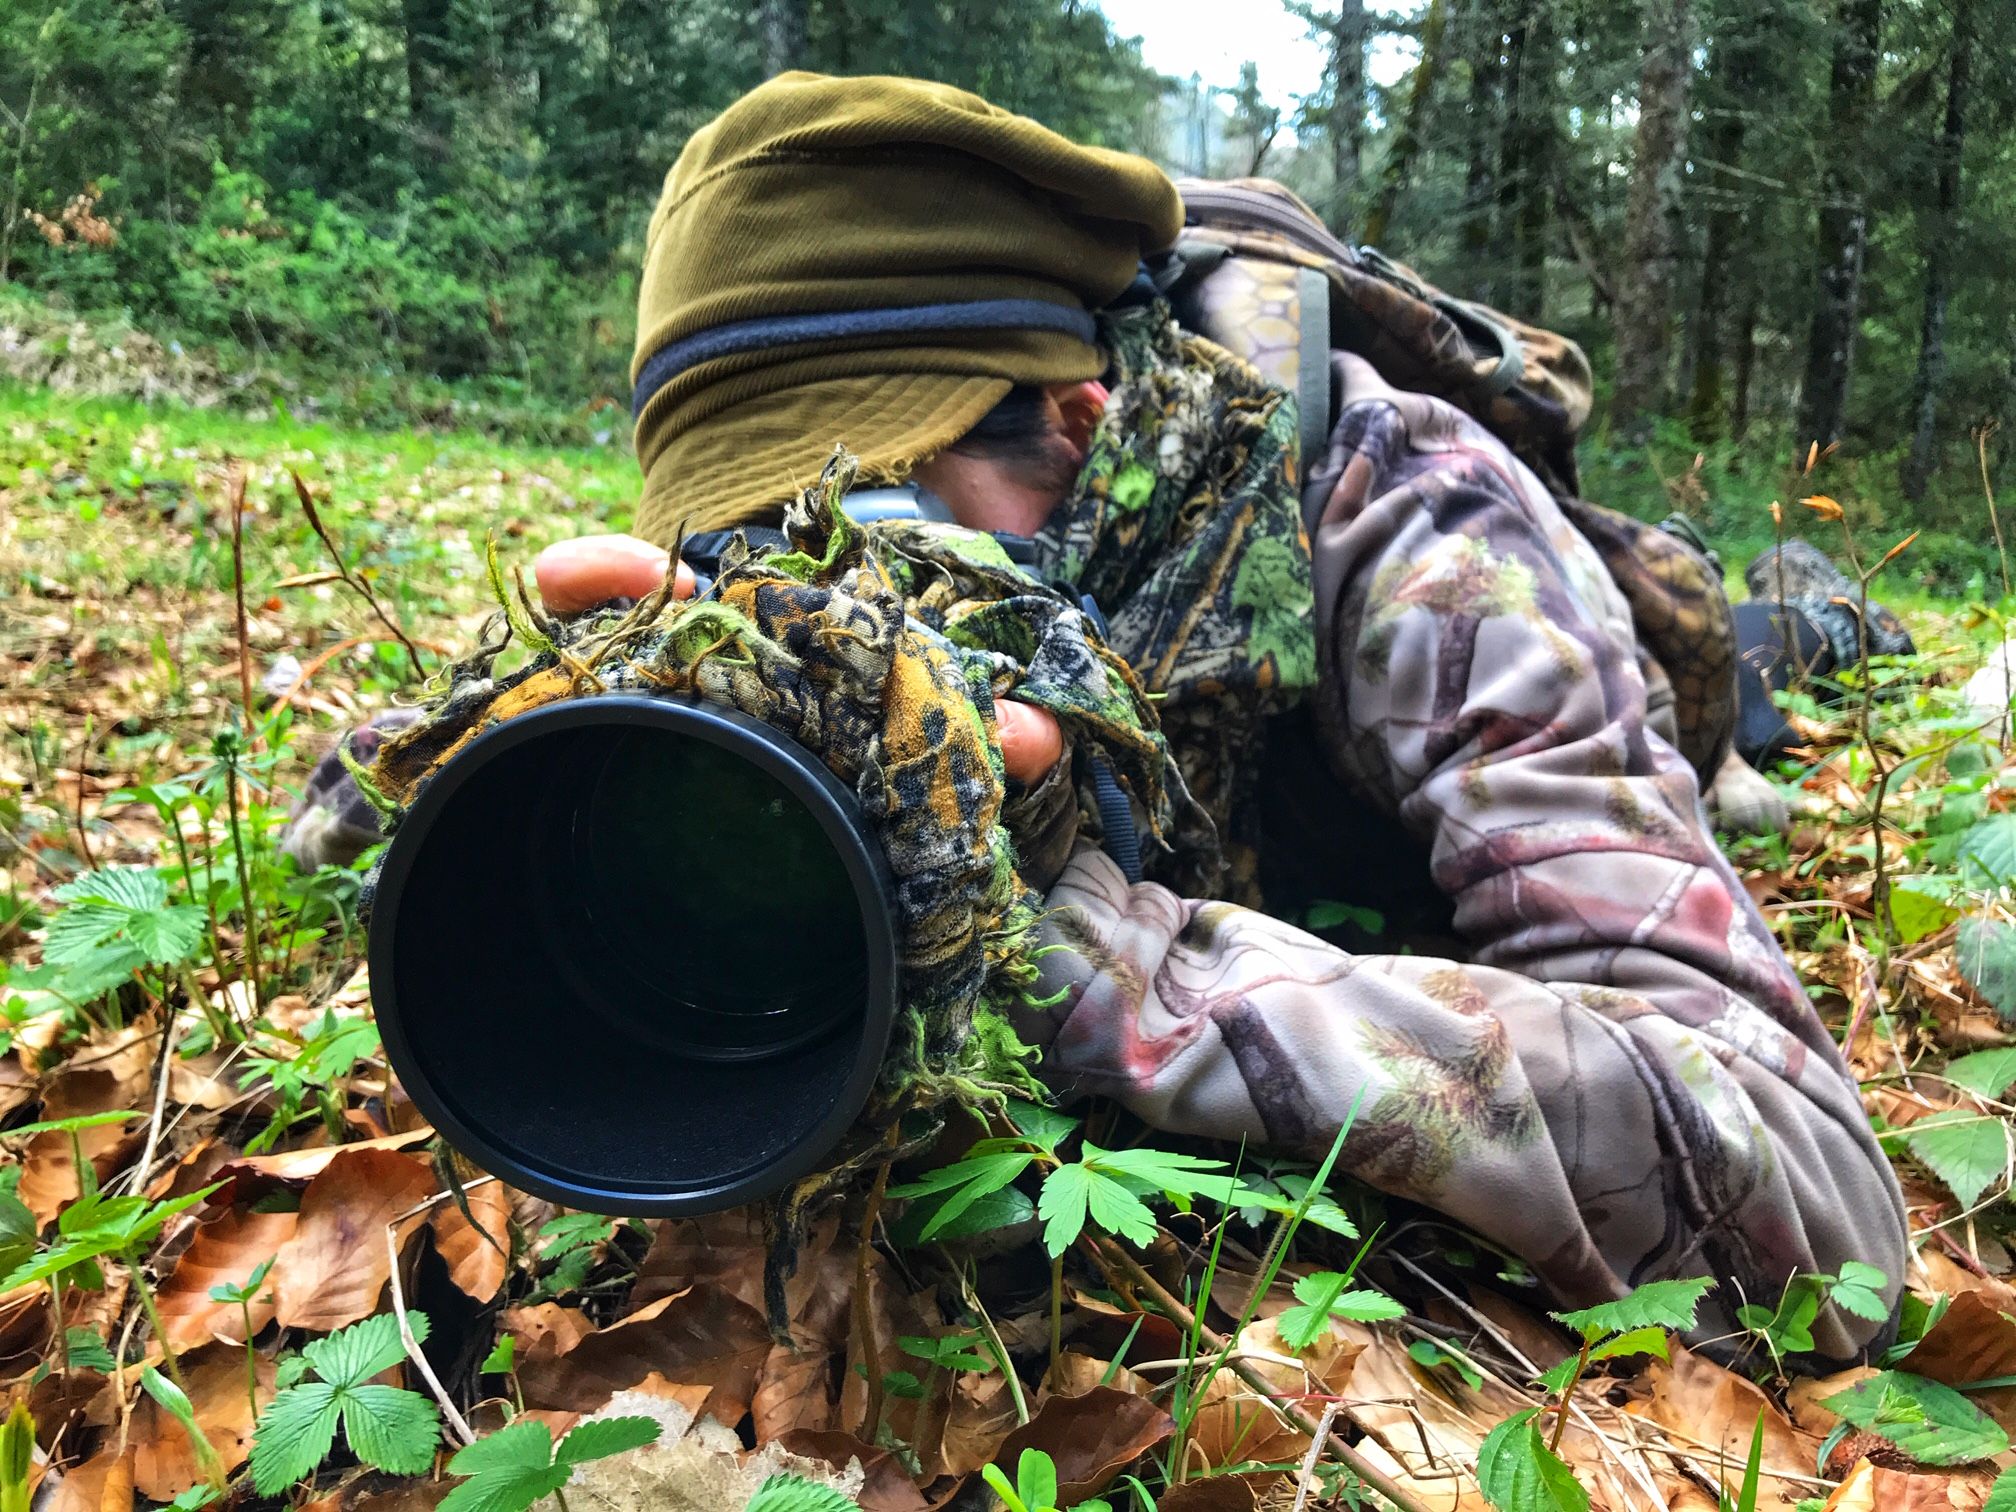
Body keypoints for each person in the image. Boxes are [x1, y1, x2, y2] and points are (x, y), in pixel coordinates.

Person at [298, 73, 1908, 1363]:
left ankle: (1816, 618)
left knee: (1750, 660)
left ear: (1081, 419)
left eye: (902, 525)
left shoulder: (1403, 515)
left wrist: (1109, 966)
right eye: (767, 548)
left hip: (1585, 651)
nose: (854, 607)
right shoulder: (796, 597)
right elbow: (377, 815)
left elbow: (1822, 1215)